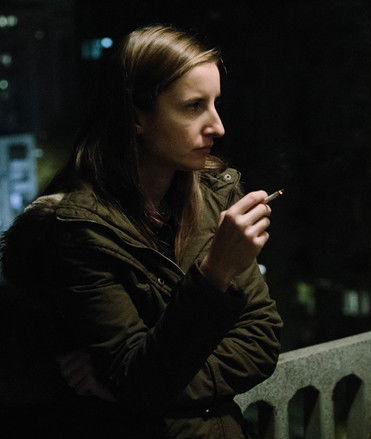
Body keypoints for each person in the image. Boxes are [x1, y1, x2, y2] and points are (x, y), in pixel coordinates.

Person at [0, 25, 282, 438]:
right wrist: (214, 274)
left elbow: (261, 342)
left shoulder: (215, 196)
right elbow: (140, 376)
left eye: (215, 103)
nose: (217, 126)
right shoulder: (80, 229)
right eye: (193, 107)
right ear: (136, 117)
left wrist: (130, 391)